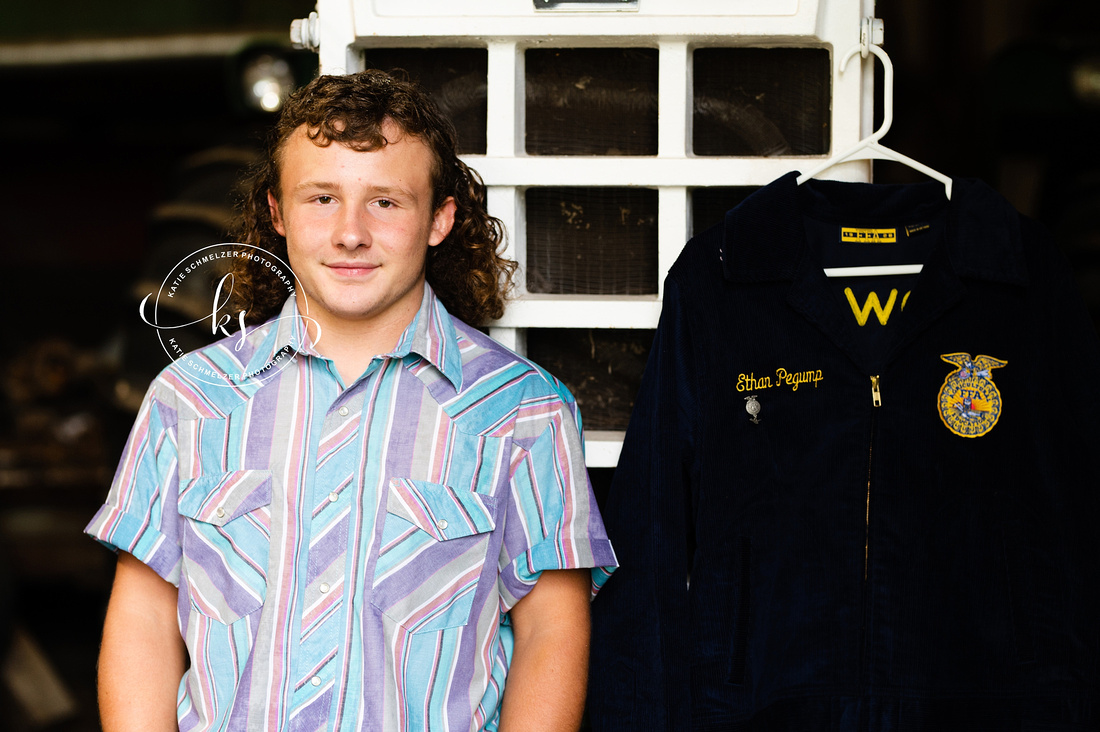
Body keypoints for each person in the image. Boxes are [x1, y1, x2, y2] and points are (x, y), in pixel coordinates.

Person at [86, 69, 617, 732]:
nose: (350, 233)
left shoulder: (523, 411)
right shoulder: (188, 399)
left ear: (439, 218)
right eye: (321, 199)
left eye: (386, 203)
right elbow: (142, 621)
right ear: (277, 212)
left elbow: (552, 634)